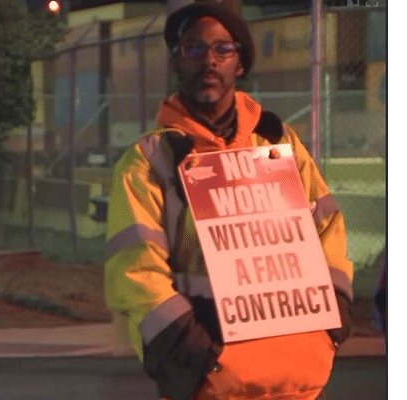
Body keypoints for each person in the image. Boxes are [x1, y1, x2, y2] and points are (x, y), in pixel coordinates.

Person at [104, 4, 353, 400]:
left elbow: (328, 228)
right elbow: (135, 274)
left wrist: (333, 318)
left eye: (224, 49)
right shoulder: (151, 160)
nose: (209, 61)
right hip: (210, 381)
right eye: (194, 49)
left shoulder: (279, 143)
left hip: (298, 375)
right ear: (175, 62)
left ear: (241, 63)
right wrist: (196, 357)